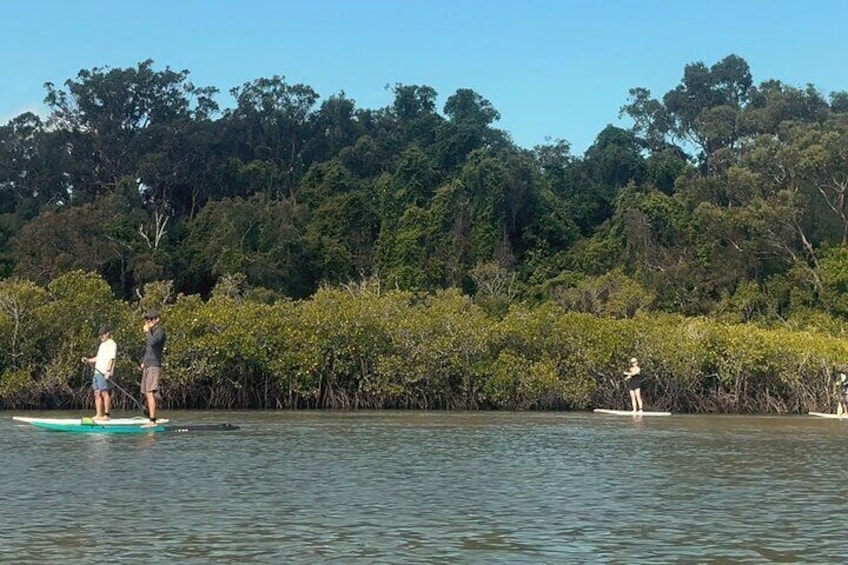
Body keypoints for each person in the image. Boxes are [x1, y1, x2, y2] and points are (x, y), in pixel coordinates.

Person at [82, 324, 116, 420]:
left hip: (104, 372)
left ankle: (106, 415)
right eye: (100, 335)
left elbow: (112, 359)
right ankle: (98, 414)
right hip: (97, 372)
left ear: (107, 334)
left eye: (102, 334)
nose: (100, 336)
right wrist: (88, 360)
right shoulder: (102, 345)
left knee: (104, 392)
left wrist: (108, 371)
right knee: (96, 393)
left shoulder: (112, 344)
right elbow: (98, 358)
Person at [140, 309, 166, 427]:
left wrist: (147, 332)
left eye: (151, 319)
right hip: (148, 364)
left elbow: (152, 342)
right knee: (146, 392)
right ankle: (151, 414)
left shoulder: (160, 331)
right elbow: (148, 349)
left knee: (150, 392)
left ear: (157, 320)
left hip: (154, 365)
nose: (148, 321)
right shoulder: (152, 331)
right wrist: (144, 362)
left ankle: (152, 420)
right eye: (147, 319)